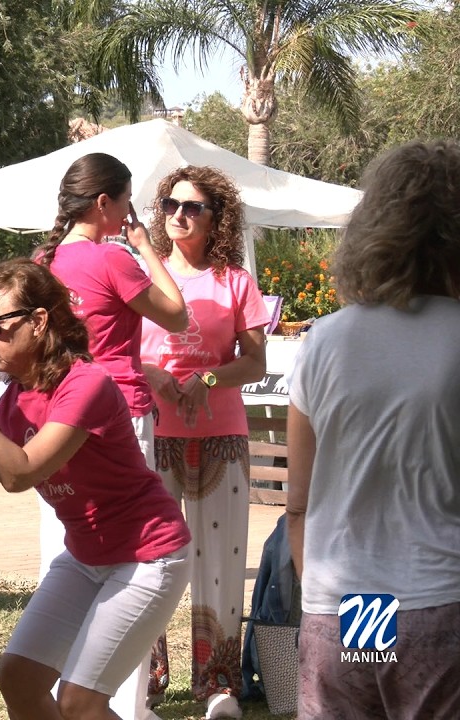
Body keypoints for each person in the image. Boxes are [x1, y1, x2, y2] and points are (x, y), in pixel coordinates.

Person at [0, 258, 192, 720]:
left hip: (147, 555)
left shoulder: (85, 384)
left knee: (81, 703)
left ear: (38, 322)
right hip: (86, 556)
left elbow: (20, 474)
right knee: (19, 679)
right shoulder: (16, 400)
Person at [286, 139, 460, 720]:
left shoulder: (323, 341)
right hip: (441, 599)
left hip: (350, 604)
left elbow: (298, 505)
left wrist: (318, 599)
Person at [138, 167, 269, 719]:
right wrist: (154, 373)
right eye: (170, 204)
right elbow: (116, 351)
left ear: (218, 217)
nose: (178, 214)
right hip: (154, 434)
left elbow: (256, 362)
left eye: (193, 206)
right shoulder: (141, 275)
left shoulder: (235, 281)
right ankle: (146, 678)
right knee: (150, 559)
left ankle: (218, 684)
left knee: (220, 560)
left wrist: (206, 378)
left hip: (222, 438)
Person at [36, 152, 188, 464]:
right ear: (103, 202)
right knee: (128, 511)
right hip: (118, 408)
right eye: (127, 200)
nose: (128, 212)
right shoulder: (111, 258)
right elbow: (177, 317)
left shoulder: (42, 261)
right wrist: (145, 247)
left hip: (59, 410)